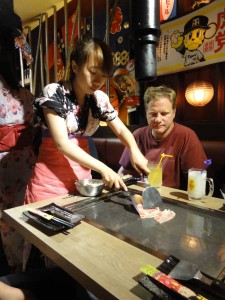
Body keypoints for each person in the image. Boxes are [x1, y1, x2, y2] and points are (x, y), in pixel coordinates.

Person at [24, 35, 149, 203]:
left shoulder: (99, 99)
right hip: (49, 181)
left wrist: (134, 149)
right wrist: (104, 168)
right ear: (75, 66)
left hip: (82, 180)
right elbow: (62, 143)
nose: (98, 80)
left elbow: (119, 129)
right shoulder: (55, 92)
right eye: (92, 72)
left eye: (104, 75)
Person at [0, 9, 36, 273]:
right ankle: (23, 270)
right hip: (25, 163)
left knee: (8, 220)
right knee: (23, 216)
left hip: (6, 164)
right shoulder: (25, 94)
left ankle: (16, 270)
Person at [118, 85, 207, 189]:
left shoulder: (187, 136)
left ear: (174, 113)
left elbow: (197, 182)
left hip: (172, 200)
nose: (158, 119)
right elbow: (123, 172)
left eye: (164, 114)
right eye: (153, 114)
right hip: (142, 196)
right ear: (146, 113)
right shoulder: (138, 135)